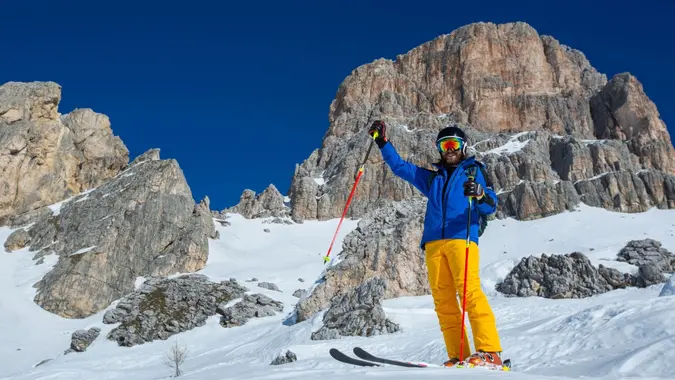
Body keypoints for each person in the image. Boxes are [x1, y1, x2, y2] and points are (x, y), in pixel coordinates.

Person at [367, 120, 503, 368]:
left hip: (462, 239)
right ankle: (458, 355)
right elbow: (400, 168)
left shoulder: (474, 171)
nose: (449, 149)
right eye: (444, 144)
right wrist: (382, 142)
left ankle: (490, 351)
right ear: (439, 148)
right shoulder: (433, 179)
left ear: (463, 146)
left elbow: (491, 205)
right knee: (443, 301)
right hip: (433, 244)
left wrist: (480, 193)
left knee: (470, 293)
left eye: (454, 144)